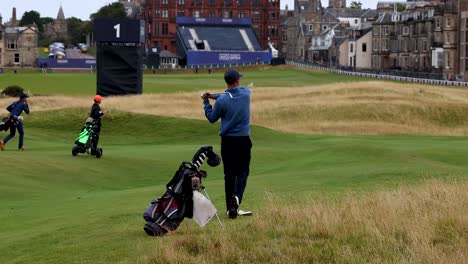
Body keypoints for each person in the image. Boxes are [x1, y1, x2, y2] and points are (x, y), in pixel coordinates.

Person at [201, 69, 252, 219]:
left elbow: (211, 118)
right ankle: (236, 198)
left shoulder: (222, 101)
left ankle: (230, 210)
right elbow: (232, 94)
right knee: (243, 172)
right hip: (243, 141)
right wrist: (215, 96)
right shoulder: (246, 93)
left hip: (228, 142)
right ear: (237, 81)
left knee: (229, 175)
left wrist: (206, 101)